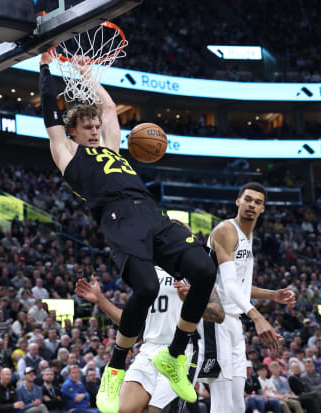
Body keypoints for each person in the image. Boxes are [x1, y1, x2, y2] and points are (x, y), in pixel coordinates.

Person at [39, 51, 217, 412]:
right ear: (72, 131)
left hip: (152, 213)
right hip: (118, 217)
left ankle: (176, 355)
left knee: (204, 270)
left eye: (94, 126)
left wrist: (88, 76)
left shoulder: (112, 147)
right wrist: (45, 68)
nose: (93, 129)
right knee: (148, 287)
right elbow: (49, 113)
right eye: (85, 127)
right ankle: (115, 368)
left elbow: (108, 108)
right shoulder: (68, 155)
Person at [196, 183, 295, 413]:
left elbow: (238, 286)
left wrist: (273, 295)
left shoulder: (248, 237)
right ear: (238, 201)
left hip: (233, 321)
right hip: (213, 318)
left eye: (258, 202)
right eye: (248, 199)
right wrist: (257, 317)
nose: (252, 205)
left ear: (262, 209)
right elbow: (228, 286)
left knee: (238, 404)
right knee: (222, 402)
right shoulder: (226, 230)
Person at [76, 265, 224, 413]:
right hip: (149, 350)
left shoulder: (195, 264)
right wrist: (100, 300)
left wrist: (193, 301)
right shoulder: (145, 273)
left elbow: (218, 313)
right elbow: (129, 322)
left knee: (156, 410)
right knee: (123, 410)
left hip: (182, 351)